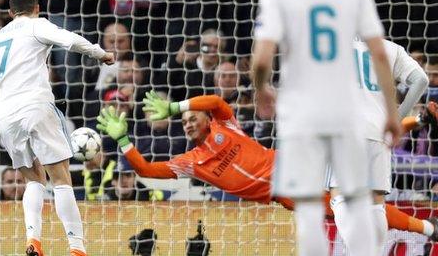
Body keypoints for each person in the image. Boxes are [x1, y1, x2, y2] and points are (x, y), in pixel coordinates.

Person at [95, 93, 438, 242]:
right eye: (183, 122)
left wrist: (174, 106)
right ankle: (428, 230)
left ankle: (420, 119)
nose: (187, 123)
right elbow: (145, 170)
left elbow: (215, 102)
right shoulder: (191, 163)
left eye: (191, 117)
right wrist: (123, 139)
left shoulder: (225, 126)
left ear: (204, 118)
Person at [251, 0, 401, 256]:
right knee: (357, 199)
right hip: (346, 109)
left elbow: (262, 59)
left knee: (308, 208)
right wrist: (391, 113)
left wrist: (262, 90)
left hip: (301, 112)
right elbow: (379, 53)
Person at [0, 0, 114, 256]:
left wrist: (4, 115)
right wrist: (101, 54)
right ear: (37, 8)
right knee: (61, 177)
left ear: (9, 12)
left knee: (33, 180)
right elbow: (68, 39)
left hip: (5, 115)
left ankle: (33, 240)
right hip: (35, 104)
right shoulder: (34, 25)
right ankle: (76, 247)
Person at [327, 39, 429, 247]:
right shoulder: (390, 48)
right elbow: (421, 80)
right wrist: (398, 117)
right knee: (375, 205)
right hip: (378, 133)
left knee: (340, 198)